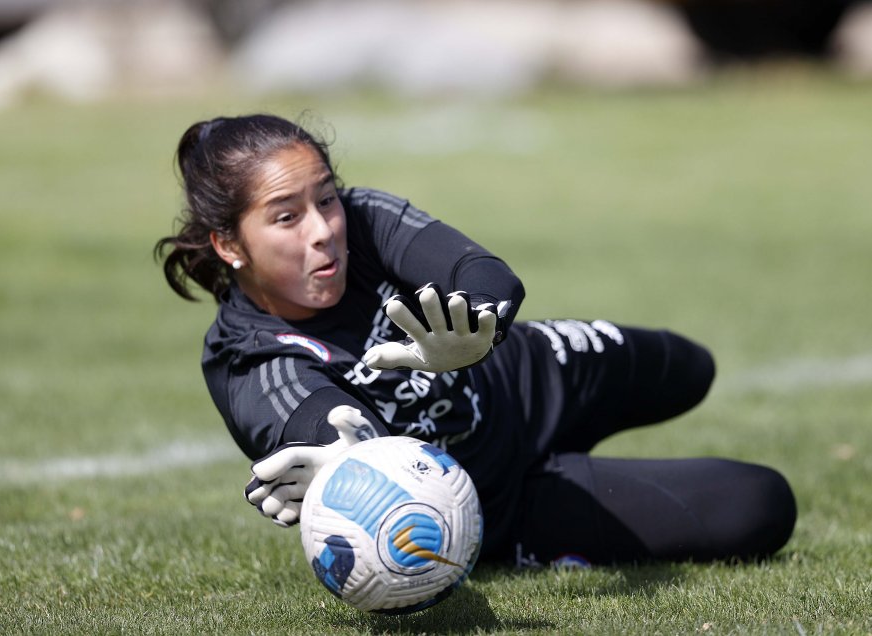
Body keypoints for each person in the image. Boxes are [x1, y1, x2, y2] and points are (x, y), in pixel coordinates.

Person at [154, 113, 796, 566]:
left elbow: (484, 275)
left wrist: (476, 333)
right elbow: (320, 421)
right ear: (229, 244)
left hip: (527, 372)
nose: (322, 229)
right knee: (760, 503)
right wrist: (344, 459)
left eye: (325, 199)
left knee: (690, 367)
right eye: (286, 216)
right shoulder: (249, 358)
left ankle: (573, 436)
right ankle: (553, 504)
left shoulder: (365, 220)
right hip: (496, 504)